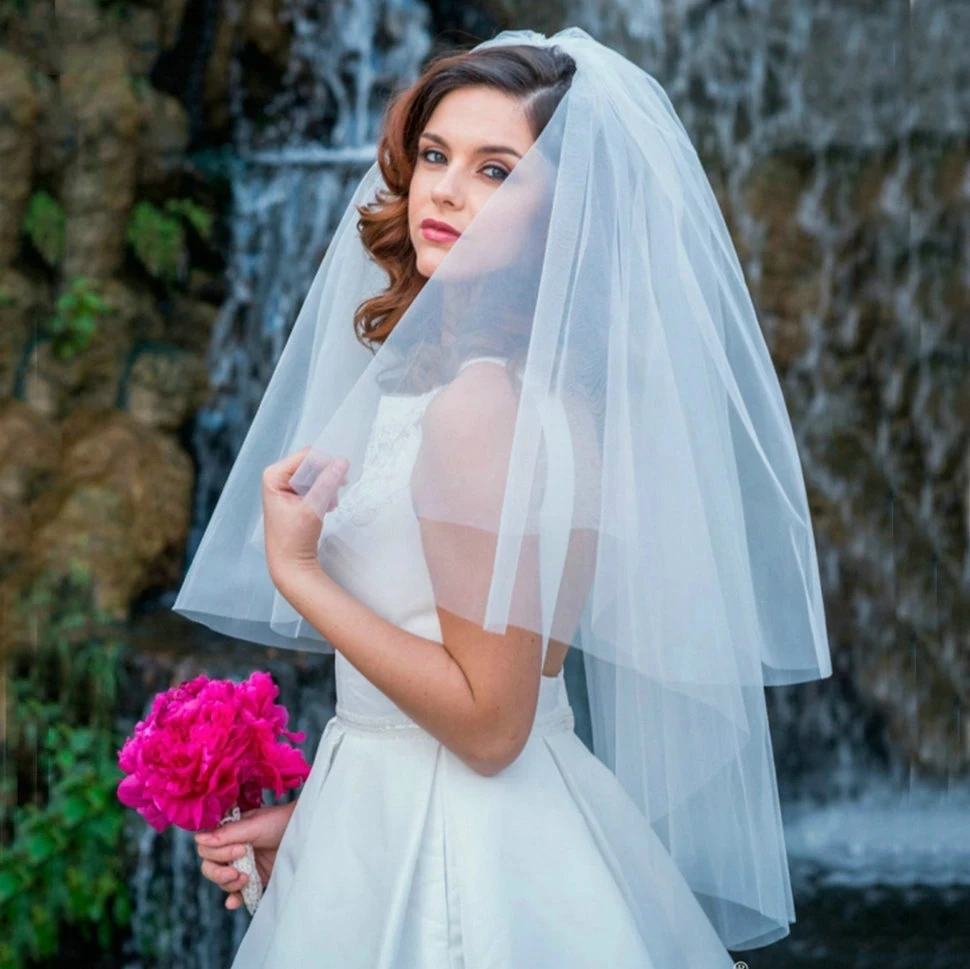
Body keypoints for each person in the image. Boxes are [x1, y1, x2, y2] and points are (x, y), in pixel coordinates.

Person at [177, 26, 833, 968]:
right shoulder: (546, 392)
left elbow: (490, 721)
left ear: (561, 217)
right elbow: (502, 677)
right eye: (437, 155)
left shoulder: (475, 408)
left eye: (498, 172)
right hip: (466, 820)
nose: (444, 189)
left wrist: (297, 565)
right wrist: (312, 824)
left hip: (461, 847)